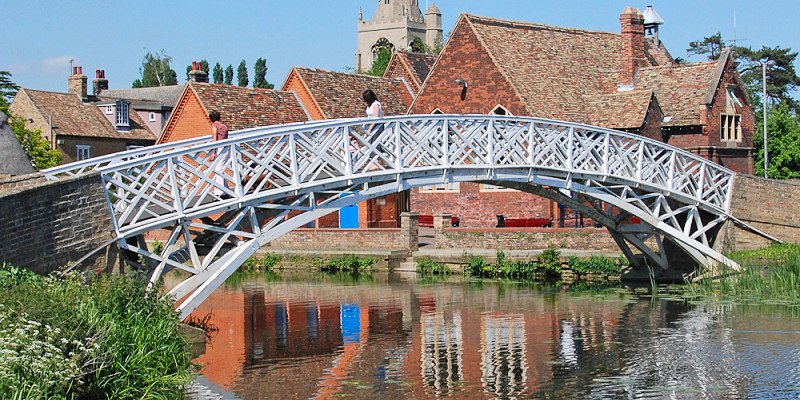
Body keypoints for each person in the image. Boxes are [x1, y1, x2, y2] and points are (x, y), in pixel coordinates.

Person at [209, 111, 230, 196]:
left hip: (220, 148)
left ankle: (219, 191)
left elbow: (215, 140)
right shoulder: (224, 126)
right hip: (227, 148)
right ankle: (226, 189)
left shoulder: (215, 126)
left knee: (218, 170)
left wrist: (213, 153)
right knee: (221, 168)